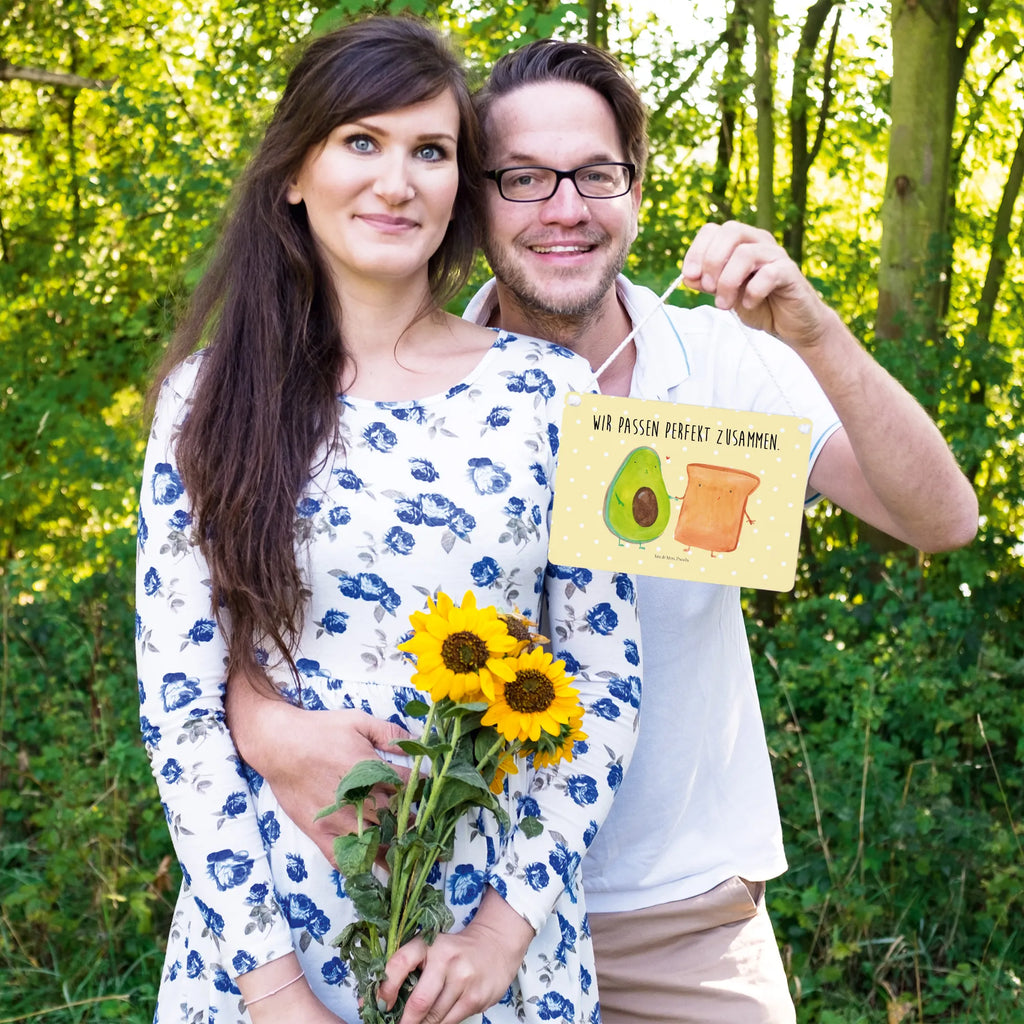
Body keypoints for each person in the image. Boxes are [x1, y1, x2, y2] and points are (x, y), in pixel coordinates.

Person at [226, 35, 979, 1024]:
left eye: (595, 173)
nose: (565, 208)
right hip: (455, 908)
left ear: (636, 186)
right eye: (525, 178)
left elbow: (941, 519)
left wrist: (809, 327)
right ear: (473, 195)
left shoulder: (719, 358)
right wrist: (260, 717)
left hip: (679, 921)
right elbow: (269, 618)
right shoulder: (403, 381)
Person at [136, 19, 641, 1024]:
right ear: (293, 172)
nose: (397, 181)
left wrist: (498, 935)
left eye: (432, 152)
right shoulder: (208, 399)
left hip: (487, 946)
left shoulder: (554, 394)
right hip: (266, 936)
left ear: (460, 186)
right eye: (361, 142)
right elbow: (180, 709)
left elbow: (605, 680)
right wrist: (276, 994)